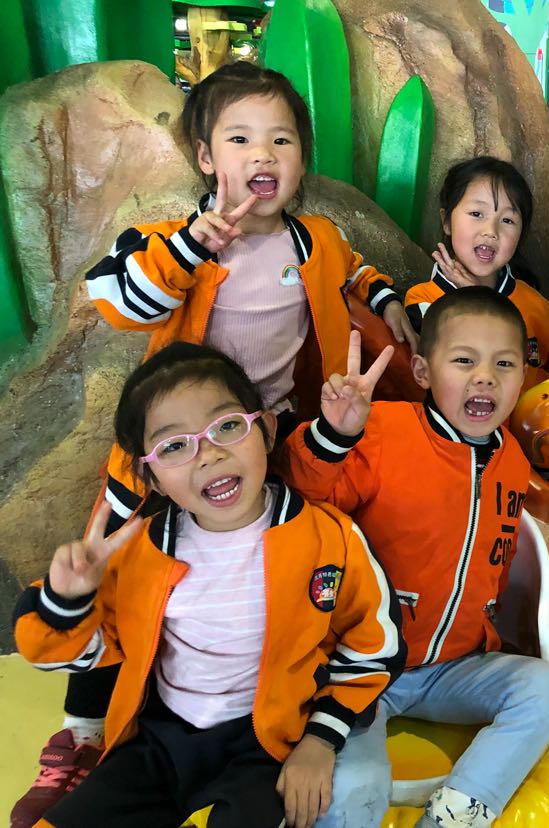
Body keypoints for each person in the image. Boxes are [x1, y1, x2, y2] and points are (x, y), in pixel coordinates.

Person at [10, 60, 415, 828]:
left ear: (301, 159)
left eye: (281, 140)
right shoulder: (178, 241)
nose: (263, 154)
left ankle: (260, 706)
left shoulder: (315, 240)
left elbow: (355, 270)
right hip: (168, 452)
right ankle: (84, 739)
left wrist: (389, 300)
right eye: (240, 138)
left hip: (265, 437)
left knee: (273, 564)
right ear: (205, 157)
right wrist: (192, 246)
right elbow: (115, 298)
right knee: (117, 572)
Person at [13, 342, 405, 828]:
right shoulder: (143, 553)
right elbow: (66, 656)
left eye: (227, 426)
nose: (209, 454)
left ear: (265, 431)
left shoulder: (330, 539)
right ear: (152, 478)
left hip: (266, 746)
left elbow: (374, 650)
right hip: (158, 739)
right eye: (175, 446)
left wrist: (320, 741)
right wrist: (68, 601)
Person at [283, 287, 549, 828]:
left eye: (504, 363)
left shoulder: (510, 460)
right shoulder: (381, 431)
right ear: (422, 370)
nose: (485, 377)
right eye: (464, 361)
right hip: (359, 671)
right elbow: (304, 505)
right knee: (355, 791)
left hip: (453, 668)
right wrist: (333, 436)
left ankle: (451, 817)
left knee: (544, 689)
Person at [404, 156, 549, 395]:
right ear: (446, 221)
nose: (491, 231)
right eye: (476, 213)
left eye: (507, 220)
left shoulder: (538, 306)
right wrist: (477, 298)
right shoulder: (423, 301)